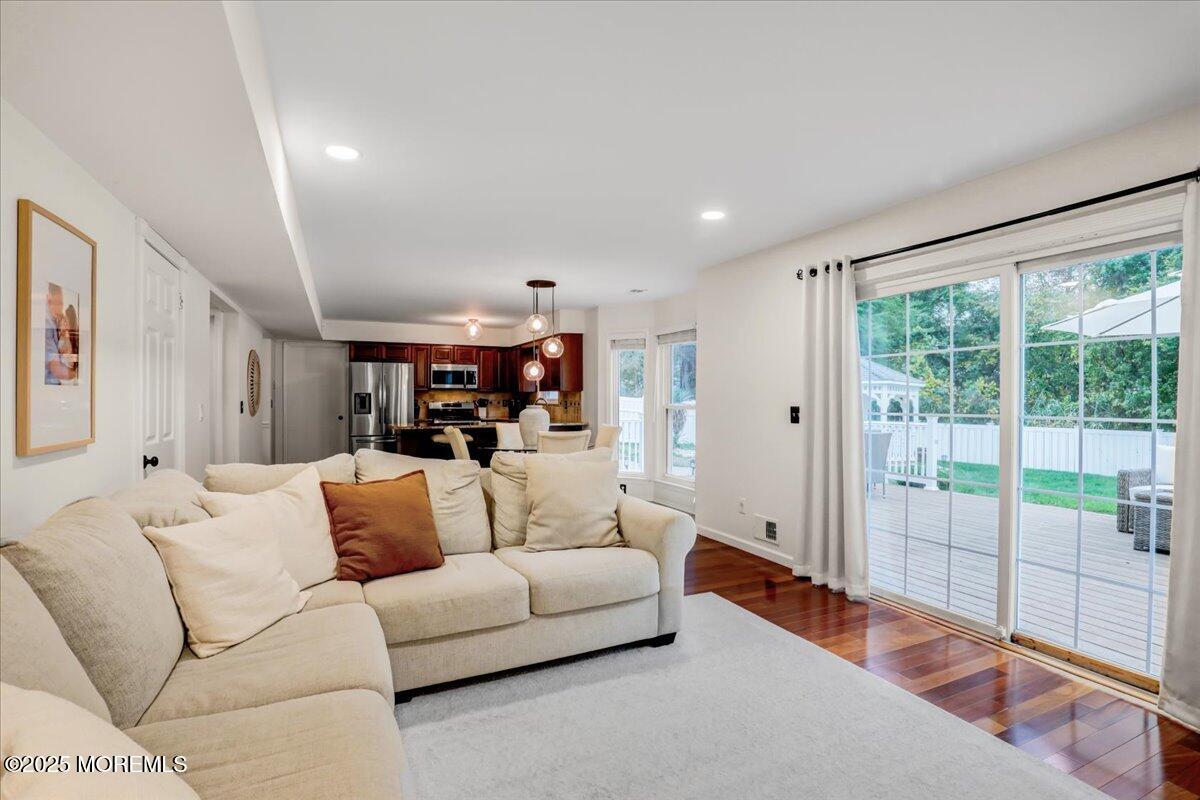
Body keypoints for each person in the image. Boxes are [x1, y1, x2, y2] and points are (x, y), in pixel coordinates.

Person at [44, 283, 74, 385]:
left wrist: (65, 334)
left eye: (61, 303)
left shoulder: (56, 324)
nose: (60, 308)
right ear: (48, 301)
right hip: (50, 386)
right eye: (56, 303)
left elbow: (66, 354)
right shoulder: (47, 326)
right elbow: (57, 370)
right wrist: (77, 375)